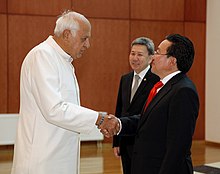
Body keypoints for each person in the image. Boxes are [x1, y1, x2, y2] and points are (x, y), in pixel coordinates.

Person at [11, 10, 116, 174]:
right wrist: (98, 118)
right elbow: (54, 109)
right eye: (84, 39)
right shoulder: (43, 56)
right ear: (67, 34)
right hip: (42, 161)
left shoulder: (62, 59)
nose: (88, 44)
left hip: (57, 158)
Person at [101, 34, 200, 174]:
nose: (153, 57)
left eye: (158, 52)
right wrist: (119, 123)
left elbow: (177, 147)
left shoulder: (183, 91)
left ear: (172, 61)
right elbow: (147, 120)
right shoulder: (163, 86)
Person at [112, 37, 159, 174]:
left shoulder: (157, 80)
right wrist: (116, 141)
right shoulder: (125, 79)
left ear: (151, 58)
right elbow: (120, 109)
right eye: (132, 53)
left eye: (140, 54)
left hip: (145, 144)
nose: (135, 58)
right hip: (125, 142)